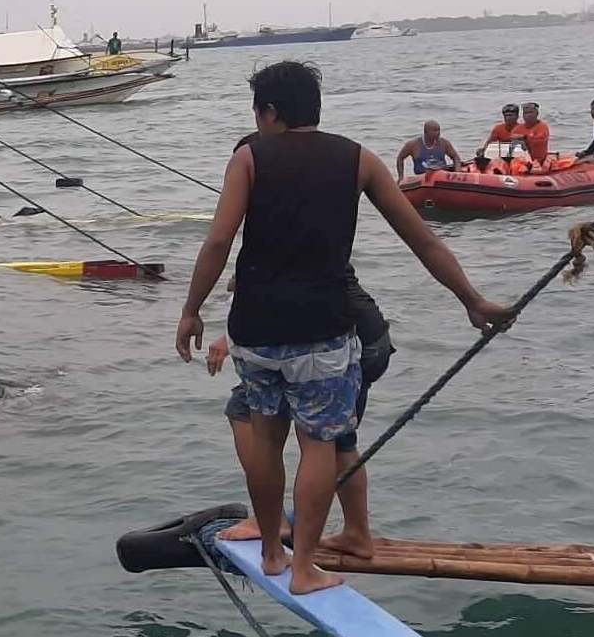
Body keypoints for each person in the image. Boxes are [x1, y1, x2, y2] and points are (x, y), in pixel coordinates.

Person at [176, 61, 508, 594]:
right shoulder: (359, 159)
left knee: (265, 435)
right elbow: (422, 239)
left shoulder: (248, 158)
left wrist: (191, 309)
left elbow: (218, 240)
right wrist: (470, 299)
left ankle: (270, 553)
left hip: (255, 330)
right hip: (323, 329)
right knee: (318, 443)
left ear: (270, 111)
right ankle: (305, 566)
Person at [207, 262, 393, 562]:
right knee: (338, 440)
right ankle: (357, 534)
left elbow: (255, 286)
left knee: (244, 411)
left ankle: (271, 521)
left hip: (335, 340)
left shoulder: (272, 243)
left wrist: (227, 335)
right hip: (367, 335)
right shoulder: (321, 227)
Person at [394, 120, 460, 178]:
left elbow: (455, 157)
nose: (438, 133)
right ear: (426, 131)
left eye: (438, 130)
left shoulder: (444, 143)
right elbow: (400, 158)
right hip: (421, 178)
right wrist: (401, 176)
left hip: (441, 176)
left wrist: (457, 172)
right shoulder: (413, 145)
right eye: (434, 130)